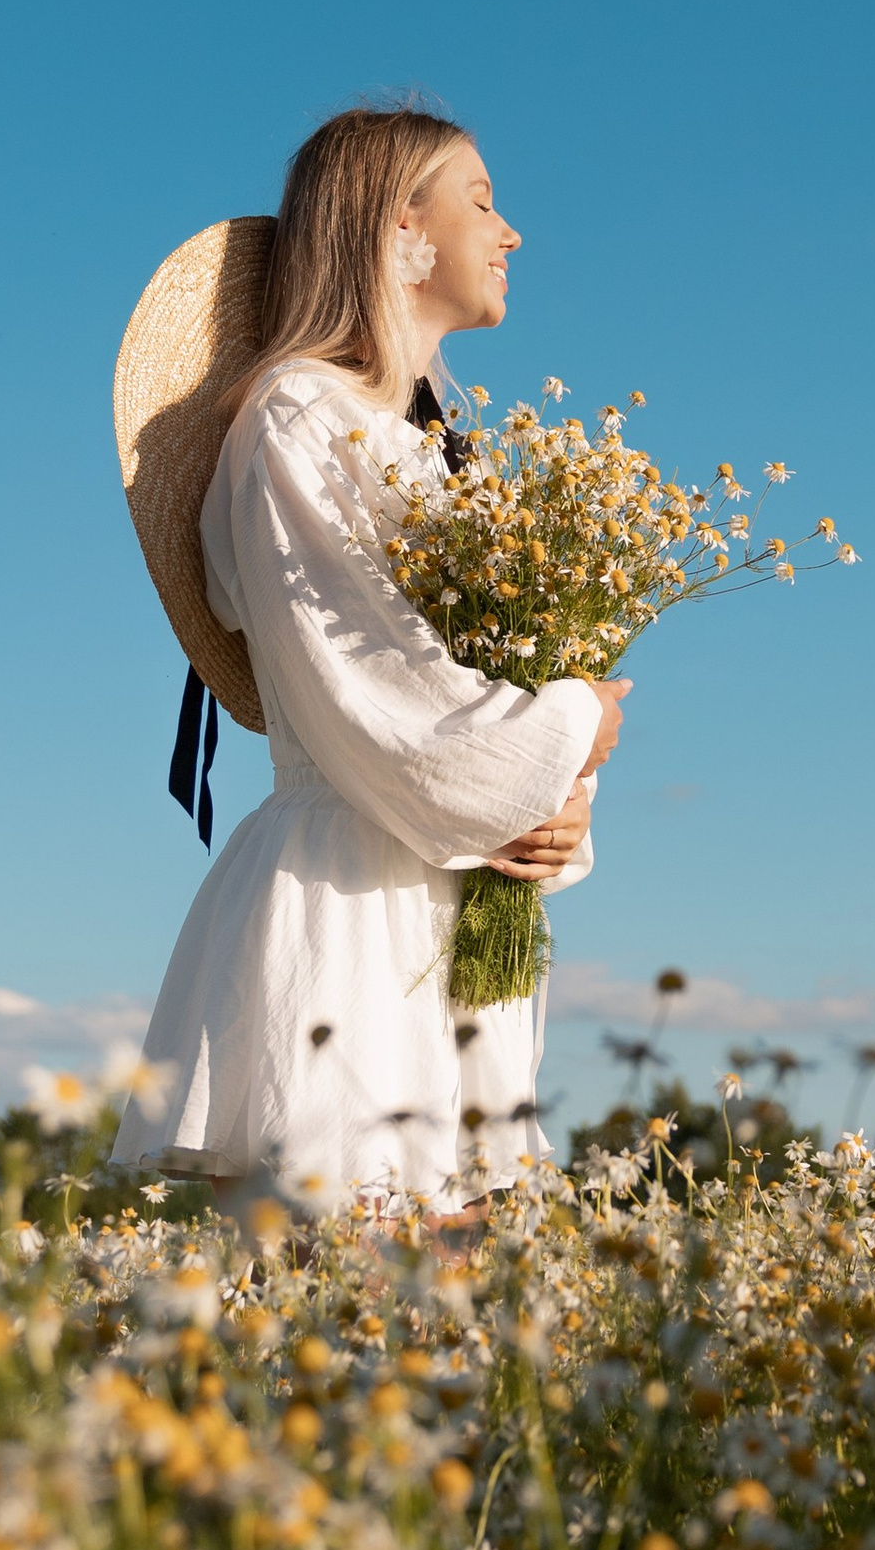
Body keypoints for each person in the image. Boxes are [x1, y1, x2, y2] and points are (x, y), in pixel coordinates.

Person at [112, 104, 624, 1203]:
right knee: (365, 1324)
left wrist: (554, 809)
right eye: (481, 200)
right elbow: (379, 703)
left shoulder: (437, 448)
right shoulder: (300, 419)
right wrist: (581, 719)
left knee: (457, 1342)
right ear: (400, 228)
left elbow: (464, 711)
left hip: (440, 896)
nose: (511, 233)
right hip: (352, 906)